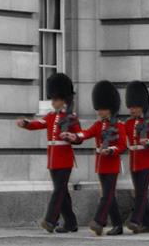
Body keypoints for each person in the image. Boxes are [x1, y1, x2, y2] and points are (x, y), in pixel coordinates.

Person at [16, 72, 81, 233]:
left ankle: (50, 220)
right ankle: (71, 223)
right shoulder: (51, 116)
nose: (53, 102)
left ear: (63, 100)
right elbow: (38, 124)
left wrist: (71, 137)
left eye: (55, 99)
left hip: (64, 158)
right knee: (62, 192)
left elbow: (79, 137)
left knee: (59, 190)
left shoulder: (71, 118)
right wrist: (26, 123)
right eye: (52, 99)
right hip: (53, 158)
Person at [73, 80, 127, 236]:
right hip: (101, 165)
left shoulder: (119, 126)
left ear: (109, 109)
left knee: (107, 195)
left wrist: (111, 150)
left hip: (112, 164)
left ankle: (98, 221)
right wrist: (74, 135)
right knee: (109, 196)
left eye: (101, 109)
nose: (98, 112)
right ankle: (118, 226)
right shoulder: (99, 125)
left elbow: (123, 145)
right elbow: (86, 133)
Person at [124, 81, 149, 234]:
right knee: (140, 191)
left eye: (135, 107)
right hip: (134, 161)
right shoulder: (129, 123)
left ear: (143, 106)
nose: (132, 110)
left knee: (141, 191)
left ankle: (136, 220)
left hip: (147, 162)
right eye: (131, 107)